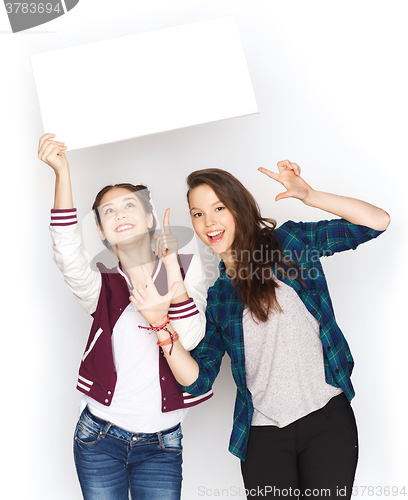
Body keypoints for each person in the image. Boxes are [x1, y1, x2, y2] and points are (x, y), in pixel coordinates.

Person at [131, 161, 390, 499]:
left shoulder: (290, 243)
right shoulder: (220, 296)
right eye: (197, 214)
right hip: (263, 437)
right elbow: (197, 379)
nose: (209, 222)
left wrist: (309, 195)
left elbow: (376, 222)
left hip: (327, 422)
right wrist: (160, 325)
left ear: (239, 206)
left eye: (218, 208)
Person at [38, 133, 212, 500]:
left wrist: (170, 271)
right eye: (108, 211)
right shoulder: (101, 287)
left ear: (149, 218)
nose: (119, 214)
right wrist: (62, 173)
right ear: (100, 230)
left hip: (162, 446)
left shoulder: (186, 269)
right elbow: (66, 251)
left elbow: (191, 338)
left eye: (129, 206)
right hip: (98, 439)